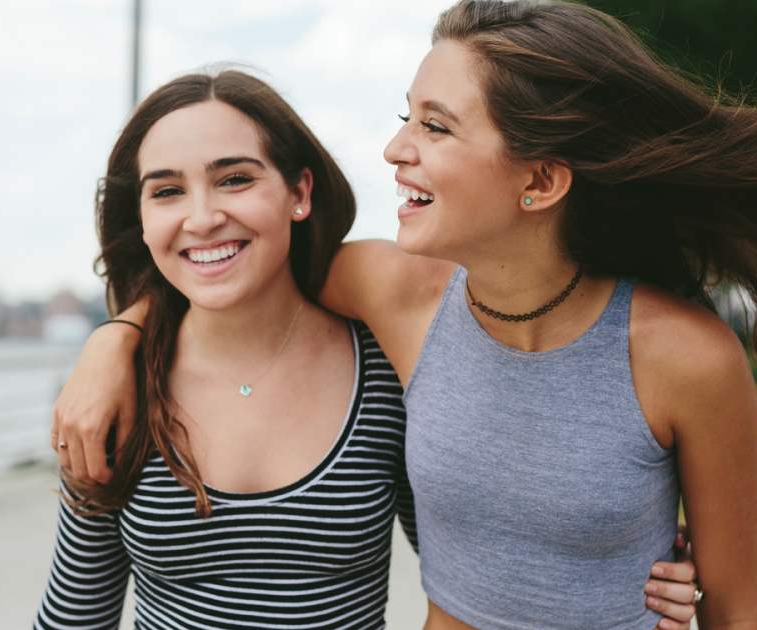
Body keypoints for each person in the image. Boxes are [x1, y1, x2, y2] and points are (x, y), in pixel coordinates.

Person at [53, 2, 757, 628]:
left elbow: (737, 613)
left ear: (540, 180)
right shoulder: (390, 294)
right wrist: (114, 339)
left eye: (435, 126)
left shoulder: (686, 357)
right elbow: (221, 261)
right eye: (408, 117)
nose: (397, 148)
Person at [35, 68, 699, 630]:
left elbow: (485, 555)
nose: (202, 216)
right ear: (144, 219)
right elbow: (74, 615)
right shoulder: (115, 390)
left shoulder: (381, 366)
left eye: (234, 179)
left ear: (298, 192)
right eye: (167, 191)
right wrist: (116, 336)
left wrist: (624, 570)